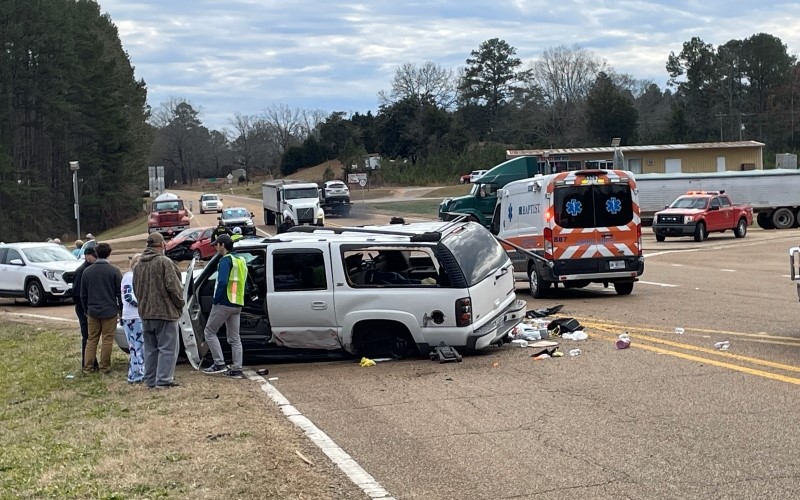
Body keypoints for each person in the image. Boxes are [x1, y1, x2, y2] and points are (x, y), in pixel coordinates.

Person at [133, 232, 185, 389]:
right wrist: (180, 303)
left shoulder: (138, 265)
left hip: (145, 313)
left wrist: (143, 304)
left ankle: (150, 380)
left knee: (150, 349)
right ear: (161, 245)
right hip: (165, 313)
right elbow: (173, 287)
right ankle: (163, 380)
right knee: (167, 348)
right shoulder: (164, 262)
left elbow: (136, 289)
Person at [202, 234, 248, 379]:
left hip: (224, 302)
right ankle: (236, 368)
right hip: (237, 302)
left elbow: (222, 282)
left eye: (216, 244)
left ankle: (219, 363)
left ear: (222, 245)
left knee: (209, 331)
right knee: (235, 338)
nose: (215, 247)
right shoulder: (240, 260)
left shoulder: (225, 260)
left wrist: (215, 300)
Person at [80, 243, 122, 374]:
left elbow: (83, 294)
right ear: (109, 254)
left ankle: (88, 367)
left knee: (92, 339)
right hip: (109, 310)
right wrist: (121, 310)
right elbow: (119, 293)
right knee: (107, 339)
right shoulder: (114, 271)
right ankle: (105, 367)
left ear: (96, 254)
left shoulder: (87, 272)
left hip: (92, 311)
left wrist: (86, 309)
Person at [73, 246, 98, 370]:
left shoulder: (92, 269)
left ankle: (93, 361)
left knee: (91, 335)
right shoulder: (81, 271)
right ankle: (87, 363)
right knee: (87, 335)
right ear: (88, 256)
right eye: (94, 256)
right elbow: (76, 294)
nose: (96, 258)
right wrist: (85, 309)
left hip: (89, 307)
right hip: (83, 308)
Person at [121, 254, 145, 384]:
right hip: (133, 317)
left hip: (135, 316)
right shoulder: (129, 277)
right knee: (137, 347)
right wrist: (142, 305)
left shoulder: (136, 277)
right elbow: (128, 296)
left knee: (139, 346)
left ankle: (139, 371)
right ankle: (136, 374)